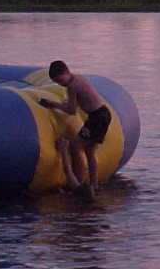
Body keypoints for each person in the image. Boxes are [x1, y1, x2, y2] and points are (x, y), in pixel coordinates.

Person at [39, 60, 112, 201]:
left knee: (75, 146)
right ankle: (94, 185)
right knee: (89, 151)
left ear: (67, 72)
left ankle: (78, 184)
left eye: (61, 81)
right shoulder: (78, 78)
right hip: (103, 114)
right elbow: (80, 100)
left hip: (97, 118)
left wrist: (52, 104)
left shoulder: (72, 86)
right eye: (57, 83)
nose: (61, 84)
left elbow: (71, 111)